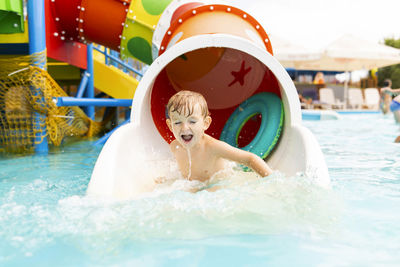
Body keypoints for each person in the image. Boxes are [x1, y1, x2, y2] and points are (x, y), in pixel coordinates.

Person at [160, 90, 273, 185]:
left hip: (218, 188)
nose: (184, 128)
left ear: (205, 123)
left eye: (192, 121)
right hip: (195, 190)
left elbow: (250, 159)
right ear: (170, 125)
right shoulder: (175, 147)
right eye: (178, 122)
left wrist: (272, 181)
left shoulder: (214, 147)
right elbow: (180, 174)